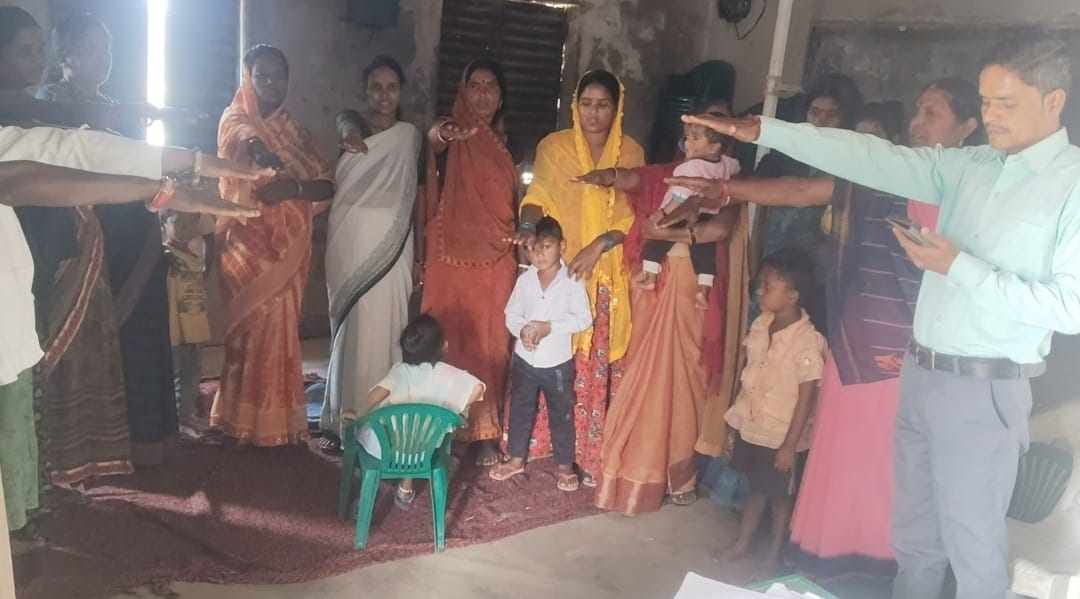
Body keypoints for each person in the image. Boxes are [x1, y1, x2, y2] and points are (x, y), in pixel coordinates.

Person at [685, 36, 1080, 599]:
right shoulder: (971, 166)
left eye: (1006, 103)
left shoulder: (1071, 185)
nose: (991, 115)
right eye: (986, 101)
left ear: (1054, 101)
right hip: (921, 373)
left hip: (984, 388)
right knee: (914, 540)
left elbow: (1069, 307)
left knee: (972, 549)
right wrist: (767, 131)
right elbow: (871, 158)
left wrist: (958, 266)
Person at [668, 79, 982, 568]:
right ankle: (830, 562)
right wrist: (726, 190)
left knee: (891, 470)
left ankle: (880, 568)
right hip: (855, 344)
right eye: (917, 111)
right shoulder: (881, 176)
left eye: (933, 114)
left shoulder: (974, 194)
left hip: (915, 360)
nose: (918, 123)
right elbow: (800, 190)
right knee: (841, 459)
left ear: (967, 128)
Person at [0, 141, 261, 535]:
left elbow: (68, 150)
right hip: (51, 309)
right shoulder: (38, 180)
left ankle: (37, 502)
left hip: (51, 316)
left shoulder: (39, 152)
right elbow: (27, 178)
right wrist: (163, 185)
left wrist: (174, 175)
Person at [570, 98, 744, 514]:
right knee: (646, 374)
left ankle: (679, 474)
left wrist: (667, 233)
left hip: (695, 289)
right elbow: (635, 179)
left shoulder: (730, 181)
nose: (696, 138)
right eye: (694, 129)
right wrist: (608, 177)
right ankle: (634, 470)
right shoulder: (672, 174)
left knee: (688, 377)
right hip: (659, 286)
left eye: (712, 127)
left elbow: (720, 229)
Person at [37, 12, 178, 466]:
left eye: (108, 49)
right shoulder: (49, 106)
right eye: (92, 49)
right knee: (102, 340)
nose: (104, 58)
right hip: (85, 239)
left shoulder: (115, 109)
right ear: (66, 56)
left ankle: (150, 439)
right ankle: (88, 453)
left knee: (144, 331)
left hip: (135, 232)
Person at [514, 70, 646, 486]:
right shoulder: (554, 148)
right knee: (552, 356)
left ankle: (590, 453)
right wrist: (529, 225)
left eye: (603, 105)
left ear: (616, 108)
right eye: (586, 104)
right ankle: (548, 447)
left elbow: (635, 216)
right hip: (561, 270)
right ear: (575, 105)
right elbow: (539, 197)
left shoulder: (631, 152)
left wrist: (598, 246)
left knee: (594, 360)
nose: (593, 113)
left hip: (605, 272)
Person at [211, 44, 335, 447]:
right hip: (244, 242)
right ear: (247, 79)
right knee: (246, 330)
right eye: (261, 75)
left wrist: (292, 189)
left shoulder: (295, 132)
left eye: (278, 76)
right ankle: (236, 420)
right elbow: (244, 139)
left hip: (288, 246)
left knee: (280, 329)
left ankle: (277, 422)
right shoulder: (235, 117)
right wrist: (262, 153)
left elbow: (327, 184)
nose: (271, 83)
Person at [321, 55, 422, 455]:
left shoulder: (409, 137)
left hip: (394, 247)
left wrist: (420, 254)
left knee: (388, 327)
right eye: (376, 88)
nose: (383, 95)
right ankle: (342, 421)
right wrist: (348, 131)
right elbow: (344, 122)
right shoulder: (352, 127)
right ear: (365, 91)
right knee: (353, 328)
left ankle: (384, 423)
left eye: (391, 88)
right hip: (349, 242)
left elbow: (417, 197)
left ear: (401, 92)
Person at [420, 58, 517, 466]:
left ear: (501, 97)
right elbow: (434, 139)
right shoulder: (453, 131)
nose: (482, 94)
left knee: (492, 342)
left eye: (490, 86)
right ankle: (441, 429)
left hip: (496, 257)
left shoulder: (506, 145)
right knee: (449, 337)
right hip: (451, 259)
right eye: (473, 85)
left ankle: (485, 433)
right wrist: (443, 133)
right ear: (462, 92)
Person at [721, 248, 826, 574]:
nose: (759, 291)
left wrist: (789, 446)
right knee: (755, 488)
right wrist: (735, 419)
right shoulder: (760, 324)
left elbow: (807, 397)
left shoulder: (807, 341)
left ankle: (773, 554)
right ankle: (743, 542)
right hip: (754, 426)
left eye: (768, 286)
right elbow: (748, 375)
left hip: (781, 436)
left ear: (793, 296)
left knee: (781, 498)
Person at [490, 216, 593, 491]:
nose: (539, 255)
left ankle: (565, 465)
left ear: (562, 246)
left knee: (561, 413)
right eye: (534, 249)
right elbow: (511, 314)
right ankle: (516, 459)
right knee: (520, 407)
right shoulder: (525, 280)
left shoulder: (572, 280)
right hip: (524, 360)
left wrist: (550, 327)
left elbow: (583, 319)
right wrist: (522, 331)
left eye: (546, 247)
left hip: (557, 363)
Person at [344, 315, 485, 509]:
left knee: (379, 431)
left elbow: (376, 396)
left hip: (385, 449)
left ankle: (366, 494)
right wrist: (452, 412)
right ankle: (405, 486)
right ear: (443, 346)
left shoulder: (400, 371)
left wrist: (358, 413)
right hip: (424, 450)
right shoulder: (450, 374)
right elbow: (478, 388)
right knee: (417, 438)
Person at [637, 113, 740, 310]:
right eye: (687, 138)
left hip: (681, 213)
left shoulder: (690, 167)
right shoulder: (726, 163)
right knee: (705, 251)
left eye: (695, 138)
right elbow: (737, 167)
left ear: (714, 147)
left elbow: (679, 198)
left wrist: (661, 215)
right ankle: (703, 291)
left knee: (656, 240)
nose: (687, 143)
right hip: (707, 215)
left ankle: (649, 275)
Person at [164, 212, 215, 438]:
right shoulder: (165, 256)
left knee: (193, 373)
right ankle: (177, 421)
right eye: (178, 221)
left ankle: (187, 416)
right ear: (164, 224)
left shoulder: (196, 255)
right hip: (175, 328)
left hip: (195, 325)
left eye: (191, 220)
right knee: (176, 373)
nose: (186, 226)